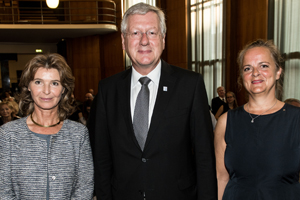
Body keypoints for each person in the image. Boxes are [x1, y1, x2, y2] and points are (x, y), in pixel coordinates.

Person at [88, 3, 217, 200]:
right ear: (124, 41)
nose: (144, 41)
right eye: (135, 33)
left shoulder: (190, 85)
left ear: (163, 39)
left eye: (151, 32)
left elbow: (205, 157)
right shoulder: (107, 90)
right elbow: (102, 160)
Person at [215, 39, 300, 200]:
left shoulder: (296, 119)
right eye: (248, 68)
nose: (255, 73)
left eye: (264, 66)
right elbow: (221, 178)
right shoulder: (226, 122)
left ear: (278, 72)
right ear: (242, 76)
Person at [0, 53, 94, 199]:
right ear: (28, 86)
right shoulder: (8, 134)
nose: (46, 90)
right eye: (38, 82)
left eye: (54, 83)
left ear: (63, 89)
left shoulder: (78, 134)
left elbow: (84, 187)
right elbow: (3, 190)